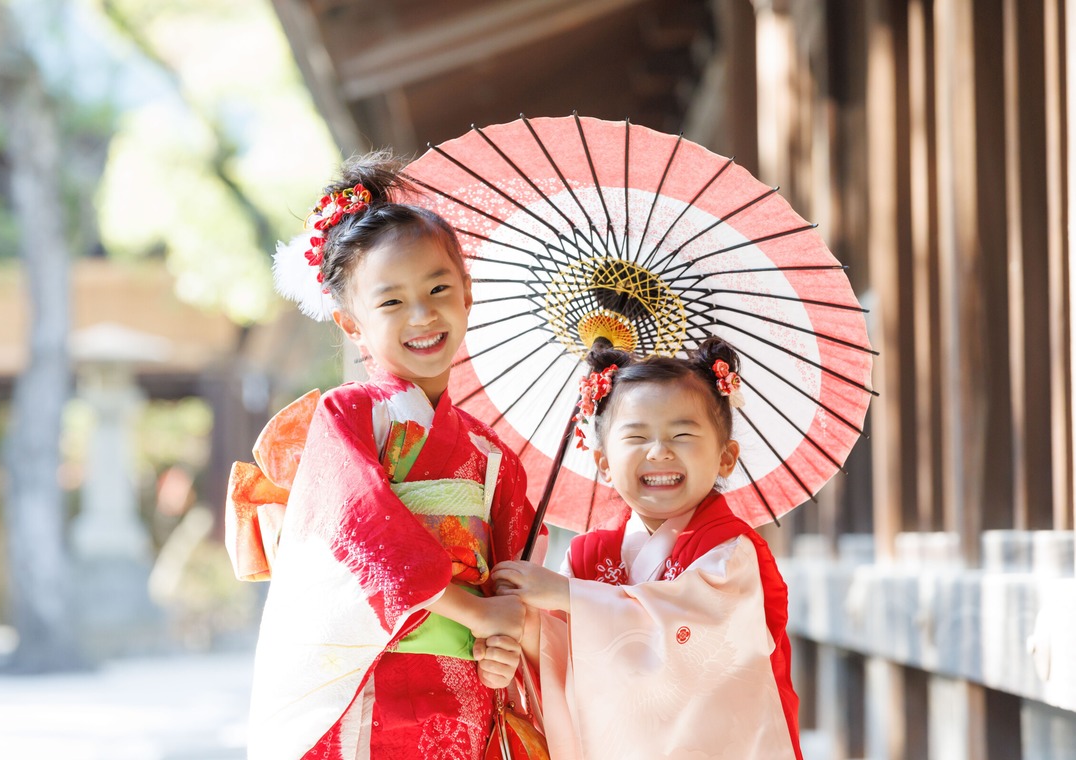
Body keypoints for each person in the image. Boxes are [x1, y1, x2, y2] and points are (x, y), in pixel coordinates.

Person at [227, 152, 540, 760]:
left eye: (439, 288)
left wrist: (504, 639)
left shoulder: (493, 453)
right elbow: (360, 533)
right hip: (362, 681)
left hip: (461, 694)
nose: (422, 315)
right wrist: (474, 615)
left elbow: (511, 581)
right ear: (351, 325)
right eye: (391, 302)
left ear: (468, 294)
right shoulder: (348, 417)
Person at [491, 337, 803, 760]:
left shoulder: (730, 549)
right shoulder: (586, 555)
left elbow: (703, 636)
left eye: (683, 433)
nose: (659, 451)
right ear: (603, 462)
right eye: (637, 436)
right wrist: (526, 626)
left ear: (726, 458)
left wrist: (566, 596)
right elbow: (560, 657)